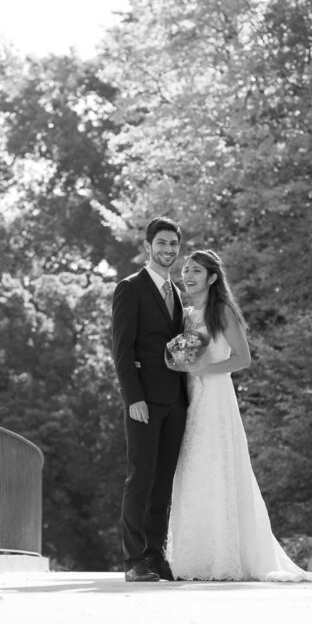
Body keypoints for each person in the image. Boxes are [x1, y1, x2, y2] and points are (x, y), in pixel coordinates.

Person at [165, 249, 312, 581]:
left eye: (196, 271)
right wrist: (178, 363)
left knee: (218, 466)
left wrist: (206, 368)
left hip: (216, 397)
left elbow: (243, 358)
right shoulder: (188, 313)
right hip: (190, 397)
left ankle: (225, 556)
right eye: (185, 270)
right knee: (191, 468)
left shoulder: (222, 311)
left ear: (212, 278)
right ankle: (193, 558)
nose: (187, 276)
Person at [111, 217, 188, 582]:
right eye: (161, 243)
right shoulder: (130, 289)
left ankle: (156, 555)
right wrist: (133, 398)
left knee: (163, 482)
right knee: (140, 479)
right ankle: (133, 560)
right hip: (143, 402)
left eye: (173, 244)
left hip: (176, 401)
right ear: (147, 246)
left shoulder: (178, 293)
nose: (167, 250)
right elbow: (122, 350)